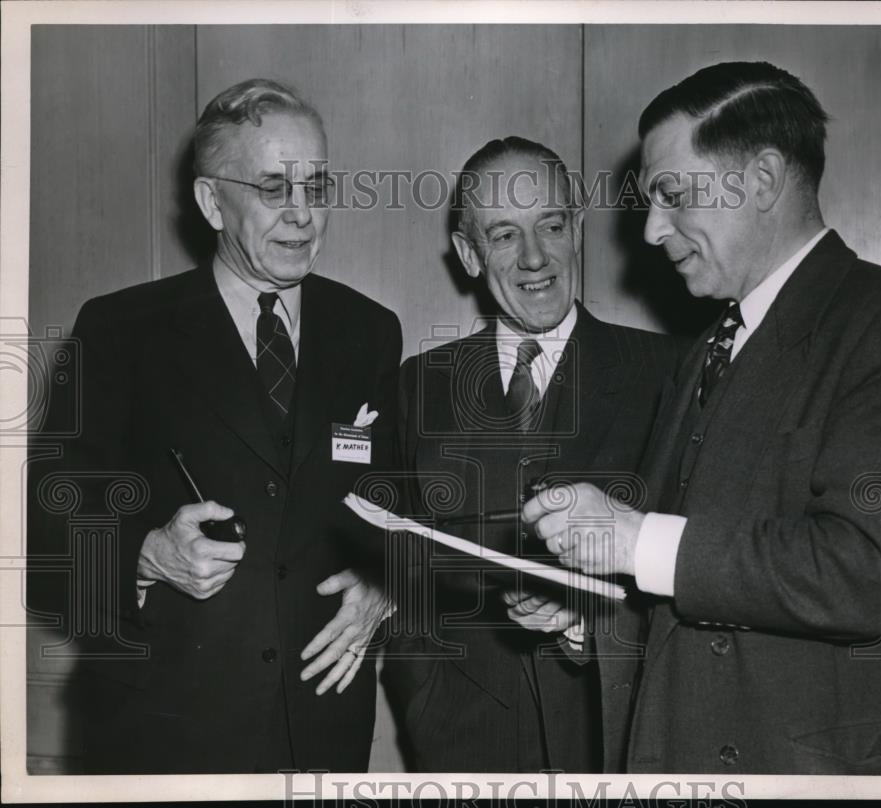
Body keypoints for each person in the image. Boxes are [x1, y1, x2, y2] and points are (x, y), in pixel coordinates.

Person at [523, 62, 881, 774]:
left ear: (762, 180)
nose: (650, 231)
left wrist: (635, 541)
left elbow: (867, 572)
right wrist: (595, 613)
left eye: (671, 195)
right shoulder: (705, 350)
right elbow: (700, 575)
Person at [37, 78, 401, 773]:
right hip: (163, 732)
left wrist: (388, 583)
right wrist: (144, 553)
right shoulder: (119, 329)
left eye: (316, 187)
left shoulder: (371, 332)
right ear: (211, 200)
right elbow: (47, 518)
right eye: (273, 188)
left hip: (321, 729)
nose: (302, 216)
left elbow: (402, 500)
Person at [381, 137, 680, 773]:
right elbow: (402, 557)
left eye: (551, 224)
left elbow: (696, 560)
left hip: (613, 740)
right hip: (459, 742)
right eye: (504, 235)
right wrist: (420, 692)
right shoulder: (420, 383)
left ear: (576, 231)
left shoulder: (666, 374)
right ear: (468, 254)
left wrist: (589, 613)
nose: (535, 256)